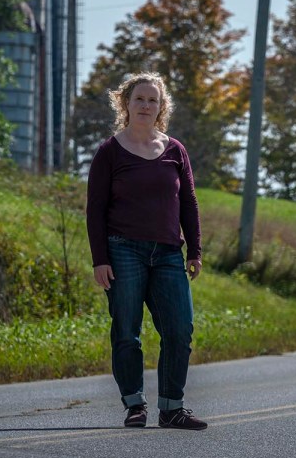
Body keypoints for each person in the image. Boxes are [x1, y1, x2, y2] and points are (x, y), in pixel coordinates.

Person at [85, 72, 208, 431]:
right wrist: (100, 258)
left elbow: (188, 202)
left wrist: (195, 250)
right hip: (123, 251)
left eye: (152, 100)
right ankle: (134, 404)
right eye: (139, 98)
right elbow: (95, 209)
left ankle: (171, 408)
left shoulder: (175, 150)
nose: (145, 105)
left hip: (169, 253)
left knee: (179, 329)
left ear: (161, 107)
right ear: (125, 103)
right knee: (127, 330)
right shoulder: (110, 152)